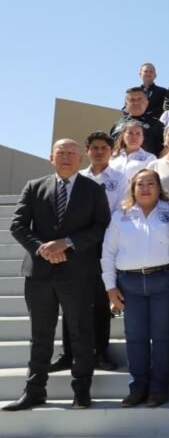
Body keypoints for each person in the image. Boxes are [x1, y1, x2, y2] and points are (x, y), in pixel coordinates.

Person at [4, 139, 110, 411]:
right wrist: (42, 249)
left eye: (71, 153)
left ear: (80, 159)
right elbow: (17, 225)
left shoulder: (94, 190)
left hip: (78, 273)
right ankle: (34, 391)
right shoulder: (34, 186)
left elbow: (100, 227)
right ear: (51, 157)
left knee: (81, 332)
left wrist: (68, 243)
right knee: (40, 335)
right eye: (61, 153)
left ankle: (82, 392)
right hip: (39, 273)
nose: (66, 157)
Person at [50, 132, 126, 374]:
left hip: (106, 247)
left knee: (101, 303)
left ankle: (100, 352)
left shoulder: (121, 179)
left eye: (104, 147)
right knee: (71, 303)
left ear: (111, 151)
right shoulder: (77, 177)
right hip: (78, 248)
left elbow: (120, 212)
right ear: (87, 151)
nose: (99, 151)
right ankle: (68, 353)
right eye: (94, 147)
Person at [101, 169, 169, 408]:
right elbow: (108, 253)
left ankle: (158, 389)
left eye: (150, 183)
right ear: (133, 189)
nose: (145, 188)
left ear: (159, 187)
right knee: (135, 338)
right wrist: (110, 288)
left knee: (163, 337)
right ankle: (138, 388)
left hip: (163, 281)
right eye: (140, 184)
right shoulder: (119, 216)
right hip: (129, 285)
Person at [110, 87, 165, 157]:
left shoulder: (157, 125)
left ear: (146, 102)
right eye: (132, 100)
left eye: (139, 99)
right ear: (126, 103)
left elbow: (165, 150)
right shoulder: (117, 125)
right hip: (118, 166)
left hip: (145, 166)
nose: (136, 103)